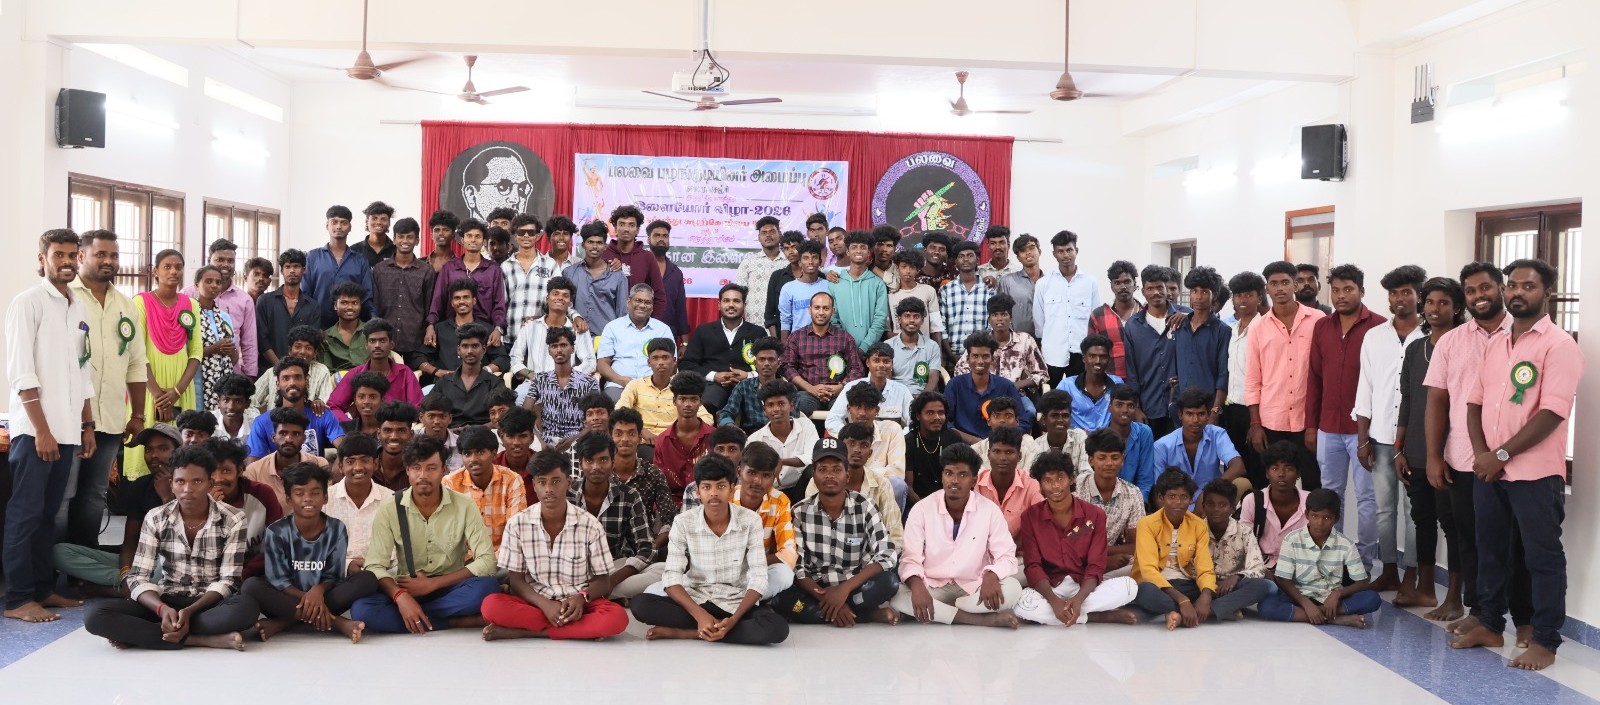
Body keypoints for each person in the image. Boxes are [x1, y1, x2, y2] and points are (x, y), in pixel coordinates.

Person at [1450, 259, 1583, 671]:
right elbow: (1474, 404)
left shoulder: (1559, 345)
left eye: (1528, 286)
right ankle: (1490, 623)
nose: (1517, 292)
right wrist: (1482, 457)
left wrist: (1501, 455)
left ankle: (1545, 640)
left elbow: (1552, 413)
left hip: (1534, 475)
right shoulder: (1497, 344)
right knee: (1490, 551)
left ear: (1547, 292)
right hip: (1490, 473)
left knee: (1542, 558)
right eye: (1512, 285)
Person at [1426, 262, 1535, 641]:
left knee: (1516, 544)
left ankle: (1524, 618)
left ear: (1501, 289)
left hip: (1517, 459)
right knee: (1472, 541)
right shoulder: (1451, 341)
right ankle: (1481, 613)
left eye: (1485, 287)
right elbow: (1437, 400)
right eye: (1471, 291)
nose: (1479, 296)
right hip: (1463, 458)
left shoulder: (1525, 335)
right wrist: (1433, 455)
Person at [83, 445, 259, 649]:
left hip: (210, 603)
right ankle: (198, 639)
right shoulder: (156, 517)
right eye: (180, 481)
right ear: (171, 484)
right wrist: (161, 609)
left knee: (246, 608)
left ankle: (153, 634)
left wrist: (189, 612)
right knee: (95, 616)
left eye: (197, 481)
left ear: (209, 483)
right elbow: (138, 576)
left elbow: (229, 580)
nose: (188, 489)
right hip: (168, 600)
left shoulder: (233, 518)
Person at [4, 230, 95, 623]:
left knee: (47, 516)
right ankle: (17, 599)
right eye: (59, 255)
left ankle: (43, 589)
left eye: (73, 255)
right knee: (25, 515)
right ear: (42, 259)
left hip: (68, 432)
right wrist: (41, 430)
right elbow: (21, 374)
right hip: (35, 433)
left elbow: (83, 371)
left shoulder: (78, 307)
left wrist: (87, 425)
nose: (67, 262)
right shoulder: (27, 303)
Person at [630, 456, 790, 644]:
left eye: (721, 486)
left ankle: (688, 633)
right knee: (640, 604)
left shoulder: (750, 521)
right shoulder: (683, 522)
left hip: (735, 601)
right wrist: (700, 615)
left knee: (777, 628)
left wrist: (733, 620)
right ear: (698, 491)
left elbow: (759, 578)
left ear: (732, 489)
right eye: (706, 487)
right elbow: (672, 576)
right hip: (696, 598)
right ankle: (713, 628)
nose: (713, 493)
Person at [351, 436, 500, 634]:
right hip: (408, 587)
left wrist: (432, 584)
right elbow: (375, 565)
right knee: (362, 609)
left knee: (487, 587)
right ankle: (454, 621)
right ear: (407, 470)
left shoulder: (464, 505)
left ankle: (416, 617)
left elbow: (487, 561)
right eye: (416, 468)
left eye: (431, 468)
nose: (423, 475)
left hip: (449, 586)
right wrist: (400, 597)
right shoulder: (390, 507)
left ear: (443, 470)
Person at [480, 450, 629, 641]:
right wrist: (545, 604)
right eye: (542, 482)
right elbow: (516, 581)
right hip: (536, 602)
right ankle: (576, 630)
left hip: (578, 604)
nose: (549, 489)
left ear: (569, 482)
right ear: (534, 485)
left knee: (616, 618)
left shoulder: (590, 525)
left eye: (556, 481)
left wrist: (581, 598)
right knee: (490, 606)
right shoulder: (517, 524)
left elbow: (603, 581)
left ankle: (527, 632)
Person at [61, 232, 147, 551]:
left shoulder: (125, 304)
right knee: (63, 496)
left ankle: (83, 565)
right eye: (101, 254)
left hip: (110, 419)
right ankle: (54, 568)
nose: (109, 261)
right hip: (68, 420)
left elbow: (136, 363)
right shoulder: (64, 297)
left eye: (114, 255)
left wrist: (138, 415)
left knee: (94, 495)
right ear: (81, 256)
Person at [1352, 264, 1428, 597]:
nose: (1399, 299)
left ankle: (1412, 573)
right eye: (1394, 293)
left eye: (1406, 292)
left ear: (1418, 296)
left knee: (1415, 512)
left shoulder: (1430, 336)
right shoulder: (1374, 336)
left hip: (1418, 440)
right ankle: (1388, 571)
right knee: (1384, 510)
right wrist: (1362, 439)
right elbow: (1365, 388)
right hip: (1381, 437)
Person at [1305, 264, 1385, 570]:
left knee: (1367, 498)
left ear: (1361, 291)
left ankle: (1363, 563)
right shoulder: (1322, 327)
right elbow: (1314, 379)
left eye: (1348, 289)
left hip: (1365, 431)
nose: (1341, 295)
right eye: (1336, 290)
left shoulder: (1379, 327)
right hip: (1328, 427)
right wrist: (1311, 425)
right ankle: (1331, 559)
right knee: (1330, 496)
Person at [243, 461, 378, 642]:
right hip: (286, 597)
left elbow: (334, 575)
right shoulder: (276, 531)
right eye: (299, 493)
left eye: (315, 493)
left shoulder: (337, 528)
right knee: (251, 586)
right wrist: (309, 597)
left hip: (325, 595)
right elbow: (278, 580)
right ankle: (336, 622)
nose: (307, 499)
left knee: (367, 579)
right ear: (289, 499)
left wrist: (318, 590)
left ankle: (284, 622)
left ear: (325, 497)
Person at [891, 443, 1020, 627]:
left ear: (974, 480)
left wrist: (991, 575)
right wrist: (917, 587)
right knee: (897, 596)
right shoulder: (922, 509)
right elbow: (910, 559)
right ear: (942, 476)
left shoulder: (989, 511)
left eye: (962, 475)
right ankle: (978, 619)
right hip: (932, 586)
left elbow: (1006, 556)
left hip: (974, 586)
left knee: (1013, 589)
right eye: (949, 473)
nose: (954, 481)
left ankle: (942, 611)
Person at [1394, 277, 1464, 617]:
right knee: (1422, 519)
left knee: (1452, 524)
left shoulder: (1464, 345)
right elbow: (1407, 399)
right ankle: (1425, 589)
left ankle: (1455, 597)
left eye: (1444, 303)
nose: (1435, 309)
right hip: (1417, 451)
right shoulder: (1415, 348)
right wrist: (1399, 446)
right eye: (1431, 302)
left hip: (1452, 452)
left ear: (1457, 308)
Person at [776, 439, 900, 626]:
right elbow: (797, 567)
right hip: (816, 590)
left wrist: (843, 590)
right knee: (784, 599)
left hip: (855, 587)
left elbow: (887, 554)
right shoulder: (799, 512)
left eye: (836, 469)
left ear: (847, 475)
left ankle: (828, 613)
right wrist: (827, 597)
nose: (829, 475)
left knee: (889, 582)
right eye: (822, 469)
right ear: (813, 476)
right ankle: (864, 615)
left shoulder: (865, 506)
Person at [1014, 451, 1140, 627]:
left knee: (1129, 587)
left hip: (1084, 586)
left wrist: (1079, 599)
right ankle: (1095, 616)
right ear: (1040, 484)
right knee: (1020, 605)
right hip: (1051, 586)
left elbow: (1096, 565)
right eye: (1047, 480)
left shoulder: (1094, 515)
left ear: (1071, 479)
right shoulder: (1030, 516)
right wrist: (1053, 601)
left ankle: (1069, 612)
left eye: (1060, 478)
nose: (1055, 486)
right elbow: (1032, 565)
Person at [53, 425, 178, 598]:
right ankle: (132, 586)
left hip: (176, 562)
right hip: (142, 561)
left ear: (178, 452)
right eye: (148, 450)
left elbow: (178, 544)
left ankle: (117, 589)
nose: (154, 455)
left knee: (167, 570)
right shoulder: (141, 485)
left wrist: (167, 499)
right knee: (59, 552)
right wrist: (126, 574)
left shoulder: (190, 485)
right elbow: (130, 542)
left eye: (163, 449)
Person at [679, 443, 799, 600]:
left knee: (784, 575)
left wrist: (745, 564)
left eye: (766, 475)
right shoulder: (722, 496)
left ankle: (726, 602)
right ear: (739, 472)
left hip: (754, 573)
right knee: (658, 588)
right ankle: (738, 602)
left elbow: (788, 553)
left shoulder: (780, 501)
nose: (758, 481)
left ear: (773, 478)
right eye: (752, 472)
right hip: (715, 570)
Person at [122, 249, 202, 480]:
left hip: (181, 388)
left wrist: (176, 392)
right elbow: (137, 352)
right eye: (167, 267)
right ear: (155, 271)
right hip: (148, 387)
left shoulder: (191, 305)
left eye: (178, 267)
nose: (173, 271)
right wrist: (159, 396)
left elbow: (196, 352)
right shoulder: (141, 302)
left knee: (179, 448)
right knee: (148, 444)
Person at [1245, 261, 1327, 488]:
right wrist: (1255, 424)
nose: (1280, 288)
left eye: (1285, 282)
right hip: (1272, 419)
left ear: (1295, 285)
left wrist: (1318, 421)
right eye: (1274, 284)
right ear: (1267, 289)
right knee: (1275, 484)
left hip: (1308, 420)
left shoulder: (1318, 320)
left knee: (1313, 482)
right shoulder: (1258, 328)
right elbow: (1252, 379)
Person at [1260, 488, 1379, 628]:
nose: (1320, 523)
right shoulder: (1292, 540)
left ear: (1336, 519)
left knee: (1372, 599)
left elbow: (1362, 582)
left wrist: (1337, 594)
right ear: (1307, 515)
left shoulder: (1346, 544)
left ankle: (1317, 615)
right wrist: (1306, 604)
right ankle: (1334, 619)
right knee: (1266, 606)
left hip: (1332, 601)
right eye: (1315, 516)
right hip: (1299, 597)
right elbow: (1282, 579)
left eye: (1327, 518)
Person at [569, 431, 662, 598]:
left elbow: (647, 548)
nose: (596, 467)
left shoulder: (629, 495)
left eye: (603, 460)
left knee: (662, 571)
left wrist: (611, 582)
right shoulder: (567, 495)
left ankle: (591, 594)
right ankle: (601, 595)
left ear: (613, 461)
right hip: (571, 570)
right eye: (589, 461)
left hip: (612, 568)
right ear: (580, 463)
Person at [1130, 469, 1218, 629]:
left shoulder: (1198, 525)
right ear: (1161, 498)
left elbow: (1205, 568)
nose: (1178, 502)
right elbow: (1148, 570)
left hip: (1186, 582)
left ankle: (1177, 611)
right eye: (1171, 497)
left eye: (1184, 497)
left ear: (1191, 499)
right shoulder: (1147, 524)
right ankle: (1201, 610)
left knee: (1218, 587)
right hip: (1157, 585)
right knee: (1143, 591)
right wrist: (1182, 600)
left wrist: (1206, 596)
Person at [803, 428, 905, 546]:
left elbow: (894, 533)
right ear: (841, 450)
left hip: (873, 552)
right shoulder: (818, 482)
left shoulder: (881, 484)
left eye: (864, 445)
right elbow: (813, 529)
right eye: (851, 444)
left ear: (870, 453)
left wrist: (885, 556)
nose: (857, 450)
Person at [681, 283, 769, 411]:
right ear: (719, 305)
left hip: (749, 387)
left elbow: (770, 364)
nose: (731, 305)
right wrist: (714, 375)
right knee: (707, 402)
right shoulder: (703, 331)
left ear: (744, 305)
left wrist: (748, 375)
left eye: (736, 301)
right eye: (726, 301)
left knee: (757, 407)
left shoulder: (758, 332)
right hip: (712, 387)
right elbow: (687, 364)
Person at [206, 438, 285, 580]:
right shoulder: (197, 500)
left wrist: (242, 575)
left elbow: (278, 544)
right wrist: (211, 512)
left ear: (240, 470)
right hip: (213, 576)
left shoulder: (262, 494)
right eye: (211, 471)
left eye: (226, 470)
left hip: (256, 574)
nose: (218, 479)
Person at [443, 425, 528, 553]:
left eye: (480, 452)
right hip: (464, 559)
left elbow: (516, 532)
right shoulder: (450, 483)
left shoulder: (512, 480)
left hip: (504, 557)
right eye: (467, 454)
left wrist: (491, 560)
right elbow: (449, 533)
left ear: (494, 454)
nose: (473, 459)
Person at [180, 239, 258, 378]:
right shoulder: (187, 295)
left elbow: (249, 343)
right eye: (220, 259)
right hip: (192, 374)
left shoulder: (244, 300)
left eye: (230, 261)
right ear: (209, 261)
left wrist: (250, 376)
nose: (226, 264)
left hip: (230, 374)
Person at [244, 358, 345, 465]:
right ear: (277, 384)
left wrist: (333, 471)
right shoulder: (262, 422)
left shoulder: (321, 414)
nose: (292, 383)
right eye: (286, 378)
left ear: (307, 382)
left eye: (297, 377)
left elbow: (346, 449)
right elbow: (252, 465)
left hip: (314, 474)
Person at [1196, 479, 1272, 620]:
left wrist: (1237, 577)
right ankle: (1228, 607)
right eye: (1210, 504)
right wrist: (1207, 586)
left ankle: (1210, 610)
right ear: (1203, 506)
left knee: (1261, 586)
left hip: (1230, 587)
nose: (1216, 509)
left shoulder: (1244, 532)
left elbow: (1257, 568)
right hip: (1200, 586)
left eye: (1222, 505)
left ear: (1232, 508)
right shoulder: (1194, 530)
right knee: (1176, 584)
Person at [427, 219, 509, 349]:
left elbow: (499, 303)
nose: (473, 240)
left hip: (484, 332)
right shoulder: (449, 268)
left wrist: (498, 328)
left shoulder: (493, 270)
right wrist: (431, 325)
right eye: (469, 236)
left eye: (478, 236)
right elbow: (438, 300)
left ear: (484, 241)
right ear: (462, 240)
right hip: (452, 331)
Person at [781, 292, 866, 416]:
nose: (821, 312)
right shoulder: (796, 337)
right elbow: (787, 367)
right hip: (807, 392)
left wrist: (841, 386)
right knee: (798, 404)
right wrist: (810, 388)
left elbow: (857, 368)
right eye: (817, 308)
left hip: (838, 392)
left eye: (826, 308)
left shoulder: (844, 338)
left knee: (846, 408)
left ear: (833, 311)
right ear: (810, 310)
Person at [1152, 387, 1248, 496]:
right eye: (1189, 414)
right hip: (1177, 502)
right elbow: (1158, 488)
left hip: (1212, 499)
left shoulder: (1217, 434)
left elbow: (1238, 466)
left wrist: (1208, 493)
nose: (1195, 420)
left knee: (1243, 484)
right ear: (1180, 415)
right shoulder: (1162, 446)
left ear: (1208, 415)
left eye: (1201, 414)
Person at [1034, 231, 1100, 385]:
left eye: (1069, 250)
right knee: (1051, 395)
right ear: (1054, 254)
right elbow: (1039, 321)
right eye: (1060, 251)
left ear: (1076, 251)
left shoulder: (1090, 282)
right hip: (1052, 353)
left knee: (1080, 393)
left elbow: (1095, 318)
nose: (1065, 255)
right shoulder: (1043, 284)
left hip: (1081, 352)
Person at [370, 218, 437, 368]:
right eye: (400, 237)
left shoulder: (426, 271)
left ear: (417, 240)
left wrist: (430, 327)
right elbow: (375, 305)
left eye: (410, 237)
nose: (405, 241)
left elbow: (430, 305)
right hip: (385, 340)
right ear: (394, 239)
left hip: (416, 341)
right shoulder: (380, 269)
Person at [1121, 264, 1179, 438]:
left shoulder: (1183, 318)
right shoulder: (1133, 325)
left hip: (1180, 405)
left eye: (1160, 287)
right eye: (1150, 288)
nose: (1156, 293)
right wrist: (1136, 407)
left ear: (1167, 289)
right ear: (1143, 291)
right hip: (1148, 406)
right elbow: (1131, 371)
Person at [1072, 431, 1142, 573]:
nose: (1109, 463)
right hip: (1075, 560)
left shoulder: (1133, 493)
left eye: (1115, 457)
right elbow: (1071, 540)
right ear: (1091, 460)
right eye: (1102, 458)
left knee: (1140, 566)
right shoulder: (1075, 488)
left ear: (1123, 460)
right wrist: (1103, 559)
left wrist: (1104, 553)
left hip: (1113, 563)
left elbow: (1136, 546)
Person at [955, 294, 1048, 400]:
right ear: (989, 320)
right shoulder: (980, 342)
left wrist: (1017, 385)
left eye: (1004, 314)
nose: (999, 319)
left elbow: (1043, 374)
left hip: (1016, 395)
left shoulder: (1025, 340)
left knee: (1029, 409)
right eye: (995, 315)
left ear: (1011, 318)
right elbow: (959, 370)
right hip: (984, 395)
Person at [1221, 270, 1266, 488]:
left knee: (1257, 468)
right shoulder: (1230, 330)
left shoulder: (1264, 328)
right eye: (1238, 295)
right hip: (1231, 408)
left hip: (1254, 410)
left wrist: (1256, 421)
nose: (1243, 300)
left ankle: (1257, 507)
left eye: (1249, 295)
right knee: (1235, 466)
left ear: (1259, 297)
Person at [521, 325, 600, 449]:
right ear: (549, 351)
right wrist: (540, 440)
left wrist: (574, 439)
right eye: (554, 346)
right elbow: (524, 415)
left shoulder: (589, 382)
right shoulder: (540, 380)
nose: (559, 350)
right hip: (546, 441)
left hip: (579, 441)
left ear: (572, 348)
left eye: (563, 345)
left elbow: (597, 418)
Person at [945, 333, 1033, 442]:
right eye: (975, 356)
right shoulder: (955, 385)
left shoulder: (1006, 386)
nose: (980, 361)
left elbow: (1023, 421)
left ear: (992, 359)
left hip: (1000, 445)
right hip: (963, 446)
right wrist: (976, 442)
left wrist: (1002, 440)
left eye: (985, 356)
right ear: (968, 359)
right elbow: (946, 422)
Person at [1237, 441, 1312, 569]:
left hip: (1300, 569)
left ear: (1298, 474)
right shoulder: (1253, 500)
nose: (1281, 474)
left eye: (1289, 468)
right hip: (1260, 567)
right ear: (1267, 473)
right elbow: (1244, 544)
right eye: (1275, 468)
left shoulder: (1310, 502)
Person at [323, 433, 392, 574]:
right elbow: (317, 547)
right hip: (334, 575)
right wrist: (347, 565)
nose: (358, 467)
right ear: (341, 467)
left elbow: (397, 549)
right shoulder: (325, 500)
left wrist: (373, 567)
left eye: (365, 460)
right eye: (350, 462)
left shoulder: (391, 499)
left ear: (375, 464)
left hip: (382, 574)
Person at [510, 276, 596, 387]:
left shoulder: (578, 329)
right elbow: (514, 358)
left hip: (568, 385)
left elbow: (590, 362)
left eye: (565, 295)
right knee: (518, 397)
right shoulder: (529, 327)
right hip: (533, 383)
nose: (560, 298)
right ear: (547, 299)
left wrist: (567, 377)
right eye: (555, 294)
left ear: (570, 303)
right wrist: (532, 375)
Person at [417, 279, 509, 382]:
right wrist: (437, 371)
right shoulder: (440, 329)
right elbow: (418, 357)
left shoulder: (486, 329)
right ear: (452, 303)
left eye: (466, 297)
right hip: (445, 384)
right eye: (457, 298)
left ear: (474, 301)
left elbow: (503, 359)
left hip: (478, 385)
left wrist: (483, 371)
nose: (461, 301)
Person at [607, 408, 679, 537]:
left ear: (640, 438)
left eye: (631, 433)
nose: (625, 439)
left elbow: (669, 520)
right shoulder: (601, 473)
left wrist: (653, 547)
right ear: (610, 437)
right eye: (618, 434)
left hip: (644, 541)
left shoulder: (653, 473)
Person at [328, 319, 423, 413]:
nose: (377, 345)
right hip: (363, 423)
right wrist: (348, 422)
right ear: (366, 346)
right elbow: (333, 406)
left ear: (391, 344)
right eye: (372, 341)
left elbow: (417, 408)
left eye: (382, 340)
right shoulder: (355, 374)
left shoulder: (405, 373)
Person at [596, 284, 674, 400]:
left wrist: (652, 383)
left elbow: (671, 363)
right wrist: (620, 380)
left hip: (655, 386)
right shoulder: (613, 327)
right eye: (638, 300)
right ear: (628, 302)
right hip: (619, 385)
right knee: (611, 403)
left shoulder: (662, 330)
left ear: (652, 306)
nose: (642, 305)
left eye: (647, 302)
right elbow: (602, 364)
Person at [1172, 266, 1230, 421]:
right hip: (1181, 407)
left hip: (1207, 408)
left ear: (1214, 295)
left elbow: (1223, 375)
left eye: (1204, 292)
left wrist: (1215, 411)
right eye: (1194, 291)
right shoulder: (1179, 326)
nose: (1198, 296)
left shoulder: (1222, 330)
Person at [303, 205, 375, 327]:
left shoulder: (360, 260)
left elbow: (366, 296)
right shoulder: (312, 257)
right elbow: (305, 294)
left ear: (350, 227)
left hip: (351, 327)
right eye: (334, 222)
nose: (338, 226)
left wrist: (374, 319)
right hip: (318, 324)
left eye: (344, 223)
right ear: (327, 225)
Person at [826, 343, 913, 434]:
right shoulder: (851, 387)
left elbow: (913, 422)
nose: (881, 365)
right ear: (867, 363)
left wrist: (899, 436)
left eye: (886, 361)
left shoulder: (902, 390)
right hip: (859, 440)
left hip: (892, 440)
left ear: (892, 364)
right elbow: (832, 420)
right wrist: (851, 434)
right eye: (876, 361)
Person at [748, 380, 819, 491]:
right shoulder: (755, 439)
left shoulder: (806, 425)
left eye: (781, 403)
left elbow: (813, 457)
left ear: (791, 406)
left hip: (801, 488)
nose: (776, 409)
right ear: (764, 410)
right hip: (770, 491)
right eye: (770, 405)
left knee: (813, 471)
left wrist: (782, 461)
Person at [432, 323, 508, 428]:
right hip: (451, 433)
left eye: (475, 346)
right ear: (458, 350)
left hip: (484, 433)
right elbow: (428, 411)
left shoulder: (495, 383)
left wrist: (476, 429)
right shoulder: (444, 382)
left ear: (484, 349)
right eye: (465, 346)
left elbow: (506, 416)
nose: (470, 351)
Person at [257, 249, 321, 371]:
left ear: (304, 270)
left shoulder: (313, 306)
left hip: (302, 372)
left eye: (296, 266)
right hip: (269, 370)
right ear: (282, 270)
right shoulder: (265, 301)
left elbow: (312, 342)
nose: (292, 271)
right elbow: (262, 340)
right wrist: (280, 367)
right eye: (287, 267)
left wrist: (296, 370)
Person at [836, 383, 909, 490]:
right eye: (858, 407)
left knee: (897, 484)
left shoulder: (892, 429)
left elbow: (897, 472)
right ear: (849, 409)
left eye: (868, 407)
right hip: (850, 488)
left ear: (877, 410)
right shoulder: (843, 435)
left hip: (881, 489)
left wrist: (861, 475)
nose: (862, 413)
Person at [975, 425, 1044, 536]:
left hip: (1019, 546)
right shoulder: (976, 485)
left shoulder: (1031, 485)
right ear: (988, 454)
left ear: (1019, 456)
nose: (1002, 458)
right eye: (997, 451)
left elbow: (1040, 525)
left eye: (1009, 452)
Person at [652, 372, 716, 492]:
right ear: (674, 401)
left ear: (701, 401)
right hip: (671, 500)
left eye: (693, 399)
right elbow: (658, 483)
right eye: (682, 399)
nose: (688, 405)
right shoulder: (662, 441)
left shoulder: (714, 437)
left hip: (706, 498)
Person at [564, 221, 630, 334]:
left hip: (606, 337)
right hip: (576, 335)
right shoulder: (569, 273)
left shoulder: (617, 276)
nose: (594, 246)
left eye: (599, 243)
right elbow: (565, 305)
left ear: (605, 246)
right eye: (590, 242)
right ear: (583, 245)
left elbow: (622, 312)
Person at [828, 230, 889, 350]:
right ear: (848, 251)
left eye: (863, 247)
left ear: (869, 252)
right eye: (854, 247)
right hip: (843, 349)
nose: (858, 251)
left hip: (872, 351)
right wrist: (847, 346)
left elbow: (880, 320)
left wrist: (864, 348)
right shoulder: (835, 283)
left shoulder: (878, 284)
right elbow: (833, 319)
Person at [250, 325, 334, 413]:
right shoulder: (272, 372)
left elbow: (326, 402)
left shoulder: (321, 371)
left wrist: (319, 402)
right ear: (290, 350)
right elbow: (251, 400)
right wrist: (261, 419)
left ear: (315, 353)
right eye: (297, 347)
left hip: (308, 420)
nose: (302, 352)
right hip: (275, 419)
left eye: (308, 348)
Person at [716, 336, 790, 434]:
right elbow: (725, 414)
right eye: (762, 359)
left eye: (771, 359)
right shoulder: (743, 387)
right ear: (755, 363)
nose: (766, 363)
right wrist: (732, 427)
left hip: (782, 435)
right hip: (750, 437)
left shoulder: (789, 389)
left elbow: (795, 421)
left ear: (779, 363)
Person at [192, 265, 241, 410]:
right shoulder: (189, 314)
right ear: (197, 284)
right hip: (196, 383)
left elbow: (233, 359)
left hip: (222, 385)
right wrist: (214, 348)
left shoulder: (224, 317)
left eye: (218, 282)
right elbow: (185, 354)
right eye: (208, 281)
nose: (214, 285)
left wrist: (230, 350)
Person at [904, 392, 964, 506]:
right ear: (918, 416)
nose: (937, 417)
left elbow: (959, 477)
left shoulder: (953, 438)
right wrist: (925, 509)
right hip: (918, 503)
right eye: (930, 413)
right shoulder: (908, 441)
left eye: (941, 413)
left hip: (949, 501)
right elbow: (908, 486)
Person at [937, 240, 992, 358]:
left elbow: (991, 326)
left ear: (977, 260)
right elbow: (942, 326)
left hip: (981, 356)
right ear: (956, 262)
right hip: (953, 355)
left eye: (970, 255)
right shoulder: (946, 290)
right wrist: (951, 356)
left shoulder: (988, 289)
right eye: (961, 256)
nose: (966, 259)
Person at [734, 216, 789, 331]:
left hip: (784, 324)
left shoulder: (789, 262)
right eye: (764, 232)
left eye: (772, 231)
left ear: (780, 234)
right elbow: (738, 294)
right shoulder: (748, 262)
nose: (768, 235)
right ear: (759, 237)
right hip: (754, 324)